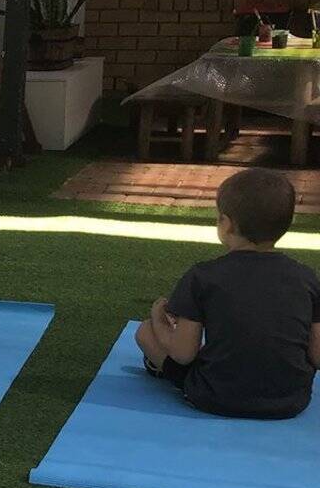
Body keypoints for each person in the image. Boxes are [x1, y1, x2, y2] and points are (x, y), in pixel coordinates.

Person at [136, 167, 320, 418]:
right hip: (290, 401)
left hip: (214, 396)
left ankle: (161, 366)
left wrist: (158, 318)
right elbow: (317, 355)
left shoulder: (202, 276)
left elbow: (182, 354)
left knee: (145, 332)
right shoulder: (307, 278)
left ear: (226, 224)